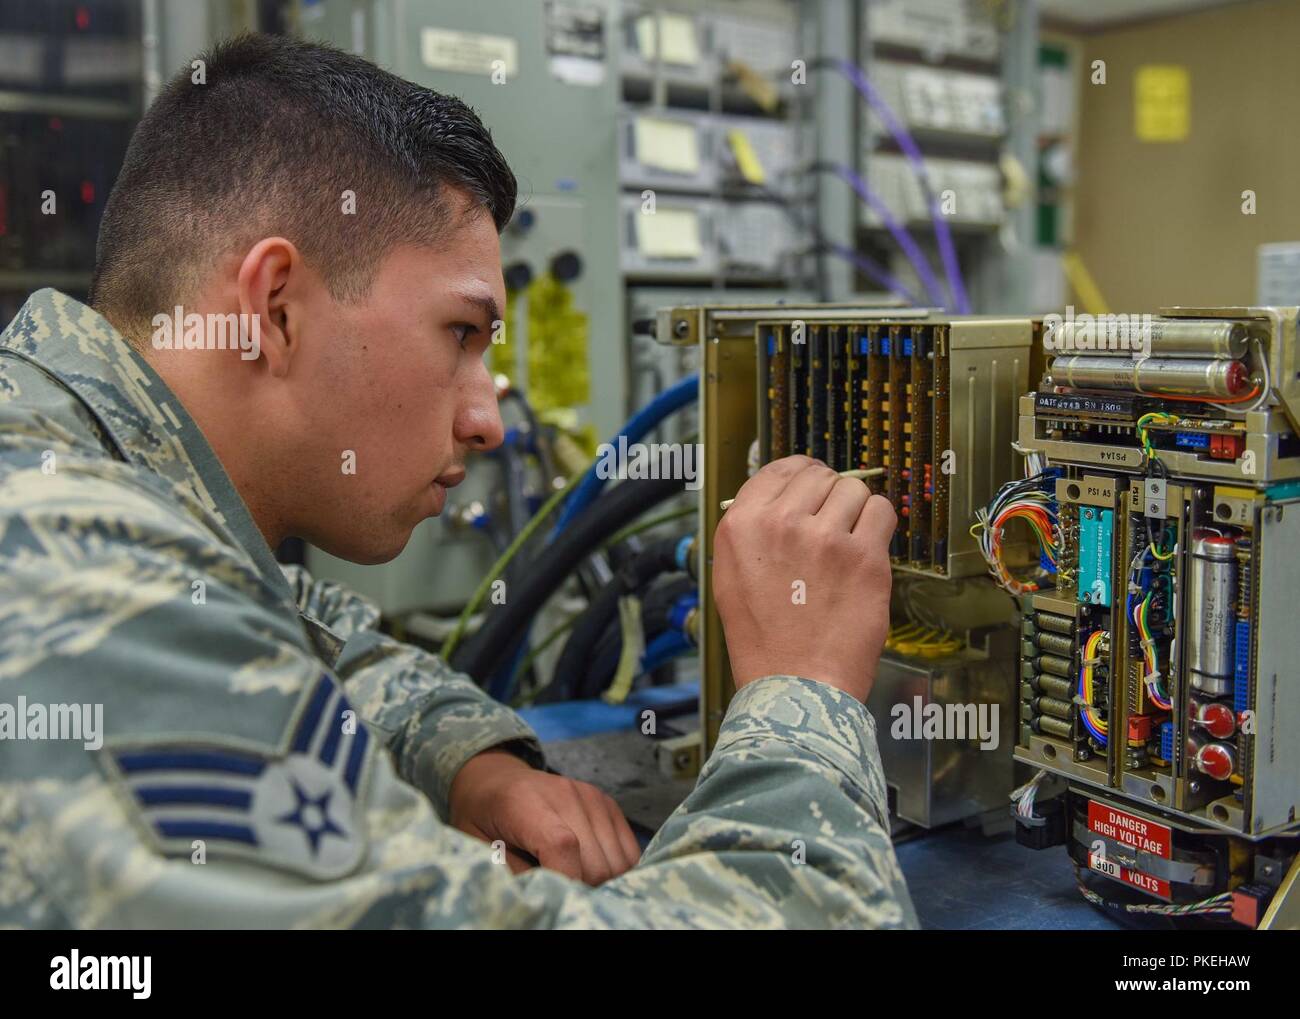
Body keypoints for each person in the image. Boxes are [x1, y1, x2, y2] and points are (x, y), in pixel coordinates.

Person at [0, 33, 915, 929]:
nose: (485, 417)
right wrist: (804, 688)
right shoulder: (78, 585)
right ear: (275, 308)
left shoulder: (83, 475)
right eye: (461, 334)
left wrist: (473, 765)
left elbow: (311, 633)